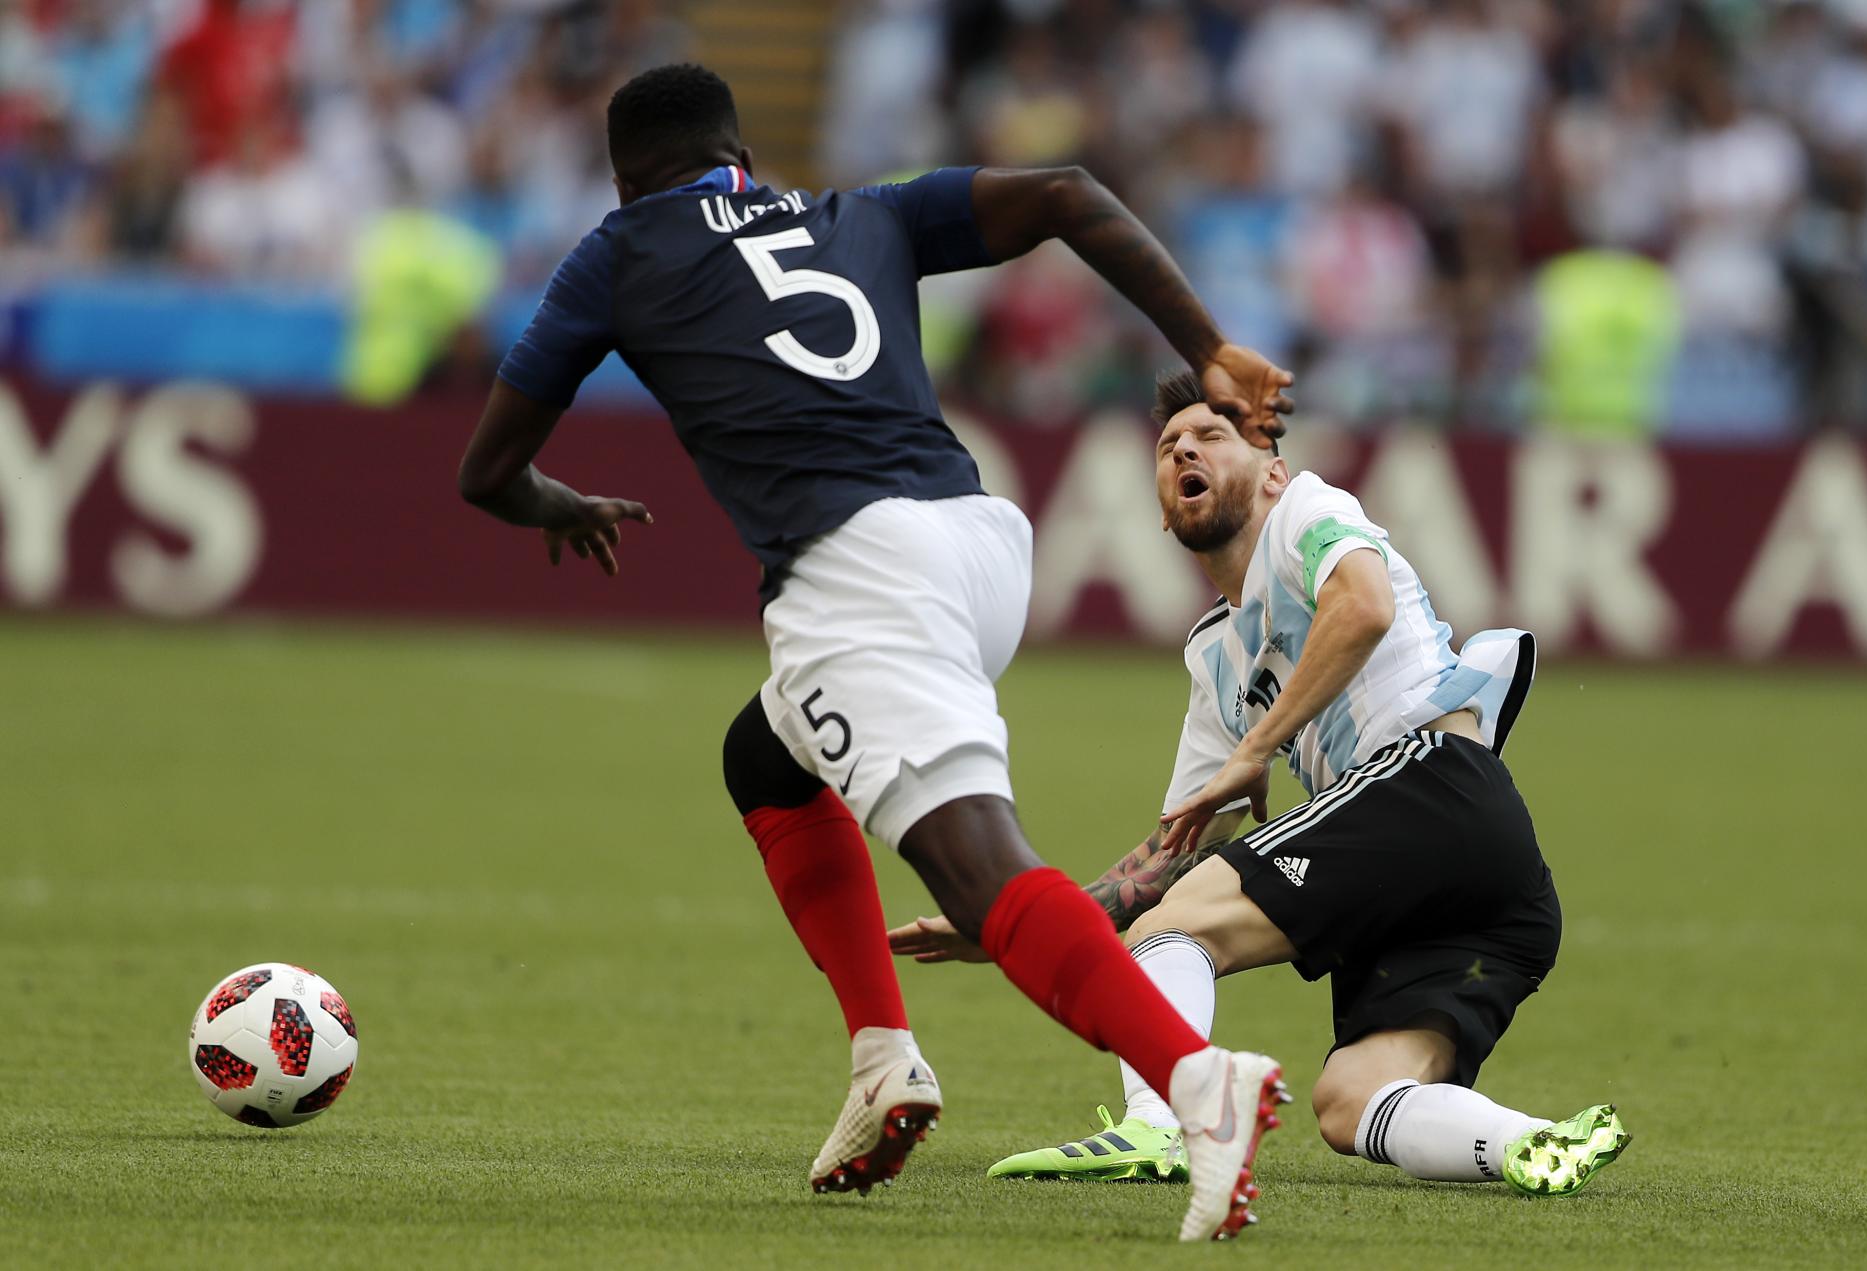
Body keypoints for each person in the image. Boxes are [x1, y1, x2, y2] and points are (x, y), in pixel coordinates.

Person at [455, 64, 1297, 1242]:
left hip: (858, 573)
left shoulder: (618, 250)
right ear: (741, 153)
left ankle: (1195, 1084)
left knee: (981, 877)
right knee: (766, 754)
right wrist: (1207, 346)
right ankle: (881, 1056)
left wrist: (560, 507)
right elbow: (1062, 189)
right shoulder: (856, 212)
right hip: (979, 542)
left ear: (623, 177)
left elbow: (484, 472)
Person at [890, 370, 1631, 1197]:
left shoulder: (1309, 513)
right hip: (1478, 876)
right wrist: (1011, 925)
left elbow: (1365, 604)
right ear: (1164, 511)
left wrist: (1259, 748)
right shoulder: (1216, 655)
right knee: (1351, 1102)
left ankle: (1161, 1125)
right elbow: (1174, 853)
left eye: (1209, 436)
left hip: (1430, 778)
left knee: (1174, 936)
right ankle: (1531, 1142)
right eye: (1169, 449)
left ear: (1272, 469)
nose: (1183, 453)